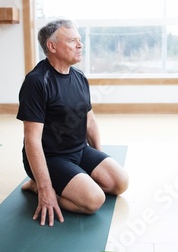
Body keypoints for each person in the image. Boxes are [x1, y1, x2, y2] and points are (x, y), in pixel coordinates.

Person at [17, 19, 129, 226]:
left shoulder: (79, 77)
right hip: (51, 157)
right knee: (94, 201)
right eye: (72, 41)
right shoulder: (36, 82)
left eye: (79, 40)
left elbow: (90, 120)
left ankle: (76, 179)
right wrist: (45, 189)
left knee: (119, 182)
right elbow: (31, 140)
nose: (80, 45)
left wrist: (99, 158)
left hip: (79, 150)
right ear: (51, 46)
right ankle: (34, 185)